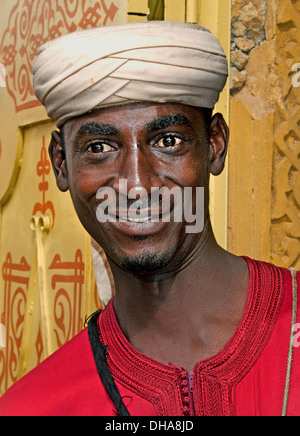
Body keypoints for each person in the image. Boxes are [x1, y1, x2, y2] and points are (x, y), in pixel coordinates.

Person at [0, 21, 299, 417]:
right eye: (100, 147)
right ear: (60, 163)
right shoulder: (32, 407)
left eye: (168, 141)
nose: (137, 185)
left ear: (214, 145)